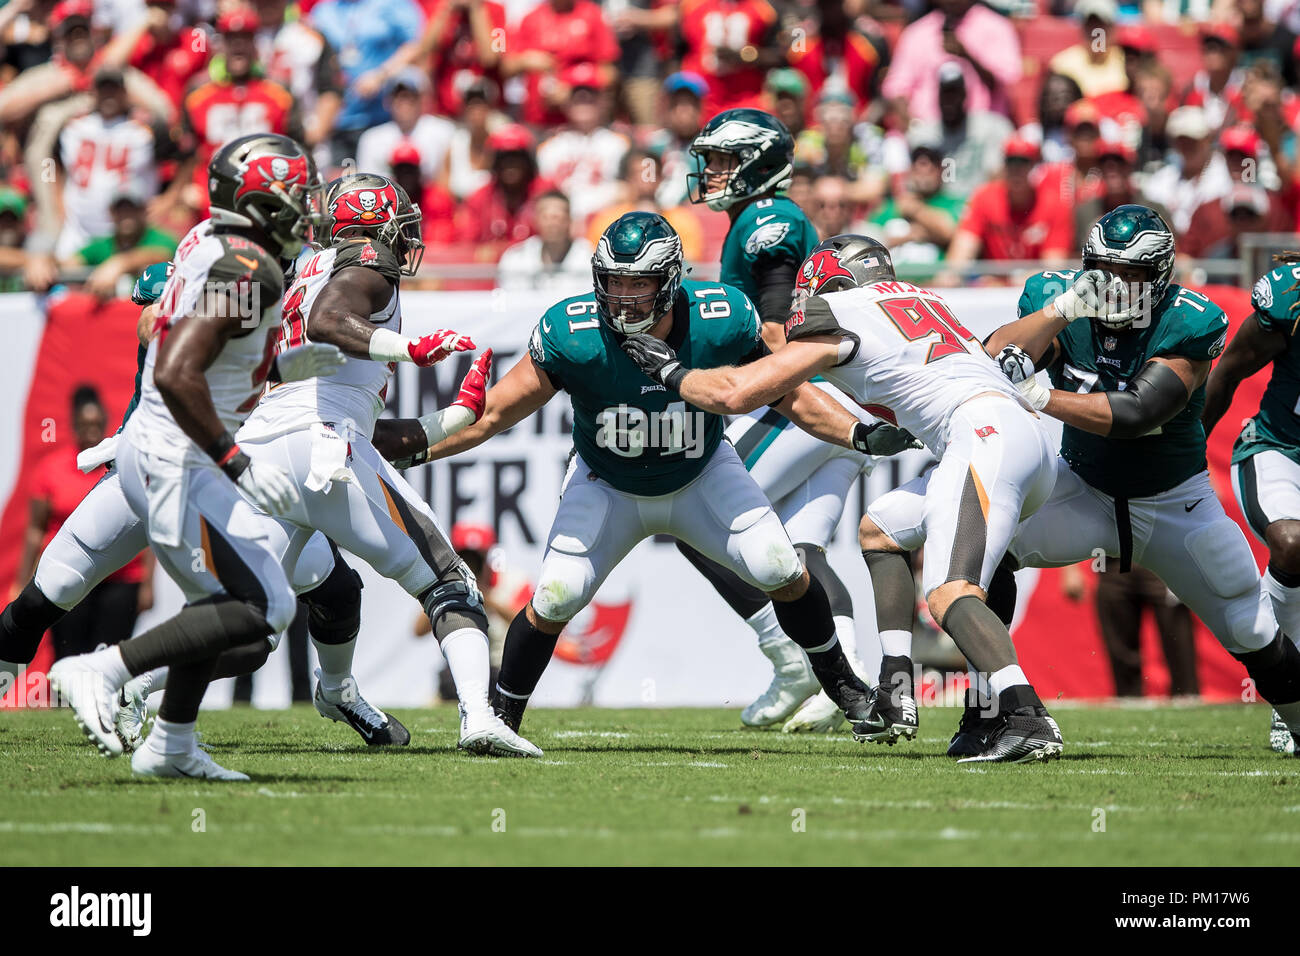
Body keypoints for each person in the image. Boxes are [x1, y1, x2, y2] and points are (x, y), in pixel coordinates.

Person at [419, 212, 888, 738]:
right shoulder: (571, 332)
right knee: (555, 595)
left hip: (702, 472)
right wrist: (414, 444)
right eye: (613, 282)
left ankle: (848, 690)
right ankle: (500, 720)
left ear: (668, 281)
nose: (623, 298)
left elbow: (790, 393)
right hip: (606, 484)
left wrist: (857, 432)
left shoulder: (724, 317)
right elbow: (493, 414)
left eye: (638, 283)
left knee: (779, 566)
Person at [874, 205, 1300, 759]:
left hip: (1175, 503)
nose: (1117, 287)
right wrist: (1059, 309)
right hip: (1084, 490)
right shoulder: (1063, 297)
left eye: (1132, 275)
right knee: (986, 555)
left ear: (1160, 275)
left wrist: (1044, 397)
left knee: (1251, 632)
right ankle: (993, 713)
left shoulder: (1190, 318)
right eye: (1106, 270)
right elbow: (993, 357)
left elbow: (1138, 413)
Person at [622, 233, 1063, 761]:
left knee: (949, 592)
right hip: (1027, 436)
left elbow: (739, 393)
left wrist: (672, 372)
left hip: (983, 437)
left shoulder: (836, 310)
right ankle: (901, 687)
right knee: (882, 528)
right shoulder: (923, 299)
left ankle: (1027, 716)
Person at [46, 133, 357, 780]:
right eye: (295, 194)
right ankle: (102, 670)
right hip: (175, 454)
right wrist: (235, 461)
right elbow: (177, 371)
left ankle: (171, 744)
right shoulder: (250, 267)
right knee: (257, 608)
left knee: (247, 614)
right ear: (257, 201)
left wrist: (286, 363)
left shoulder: (213, 244)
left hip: (174, 449)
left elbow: (220, 357)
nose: (306, 207)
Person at [234, 171, 540, 757]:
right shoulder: (368, 263)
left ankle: (130, 682)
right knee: (449, 582)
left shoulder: (308, 270)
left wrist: (451, 420)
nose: (407, 239)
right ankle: (480, 716)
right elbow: (329, 328)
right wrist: (410, 349)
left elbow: (345, 402)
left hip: (268, 446)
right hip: (323, 446)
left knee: (247, 617)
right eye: (399, 223)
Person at [686, 108, 876, 731]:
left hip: (805, 398)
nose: (709, 172)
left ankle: (790, 658)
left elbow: (772, 329)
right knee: (799, 551)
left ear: (756, 164)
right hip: (838, 401)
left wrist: (736, 380)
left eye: (721, 160)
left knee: (698, 517)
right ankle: (840, 682)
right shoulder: (760, 217)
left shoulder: (769, 219)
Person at [1202, 254, 1300, 754]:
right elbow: (1227, 374)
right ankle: (1291, 698)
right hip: (1279, 449)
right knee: (1290, 544)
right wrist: (1186, 453)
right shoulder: (1291, 302)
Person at [15, 385, 153, 662]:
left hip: (121, 580)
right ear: (74, 425)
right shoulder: (52, 468)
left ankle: (107, 705)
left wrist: (148, 584)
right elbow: (35, 530)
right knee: (68, 654)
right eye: (84, 424)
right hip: (72, 574)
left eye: (96, 422)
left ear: (105, 421)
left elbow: (146, 526)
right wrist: (23, 582)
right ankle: (67, 704)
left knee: (109, 658)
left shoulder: (121, 463)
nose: (91, 429)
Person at [881, 0, 1020, 125]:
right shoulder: (917, 32)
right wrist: (912, 127)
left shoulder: (997, 27)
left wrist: (967, 56)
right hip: (928, 131)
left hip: (981, 133)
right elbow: (896, 88)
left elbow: (1004, 83)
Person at [355, 68, 455, 184]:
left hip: (429, 199)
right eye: (398, 96)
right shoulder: (372, 139)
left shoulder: (444, 132)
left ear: (421, 99)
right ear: (388, 101)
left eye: (409, 96)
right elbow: (368, 186)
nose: (404, 102)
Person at [496, 190, 593, 292]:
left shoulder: (587, 258)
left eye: (557, 217)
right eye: (546, 217)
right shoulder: (515, 258)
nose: (552, 223)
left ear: (569, 220)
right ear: (536, 220)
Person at [1047, 0, 1127, 98]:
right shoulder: (1062, 65)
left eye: (1101, 26)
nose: (1096, 34)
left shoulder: (1128, 62)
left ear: (1113, 29)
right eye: (1091, 25)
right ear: (1082, 29)